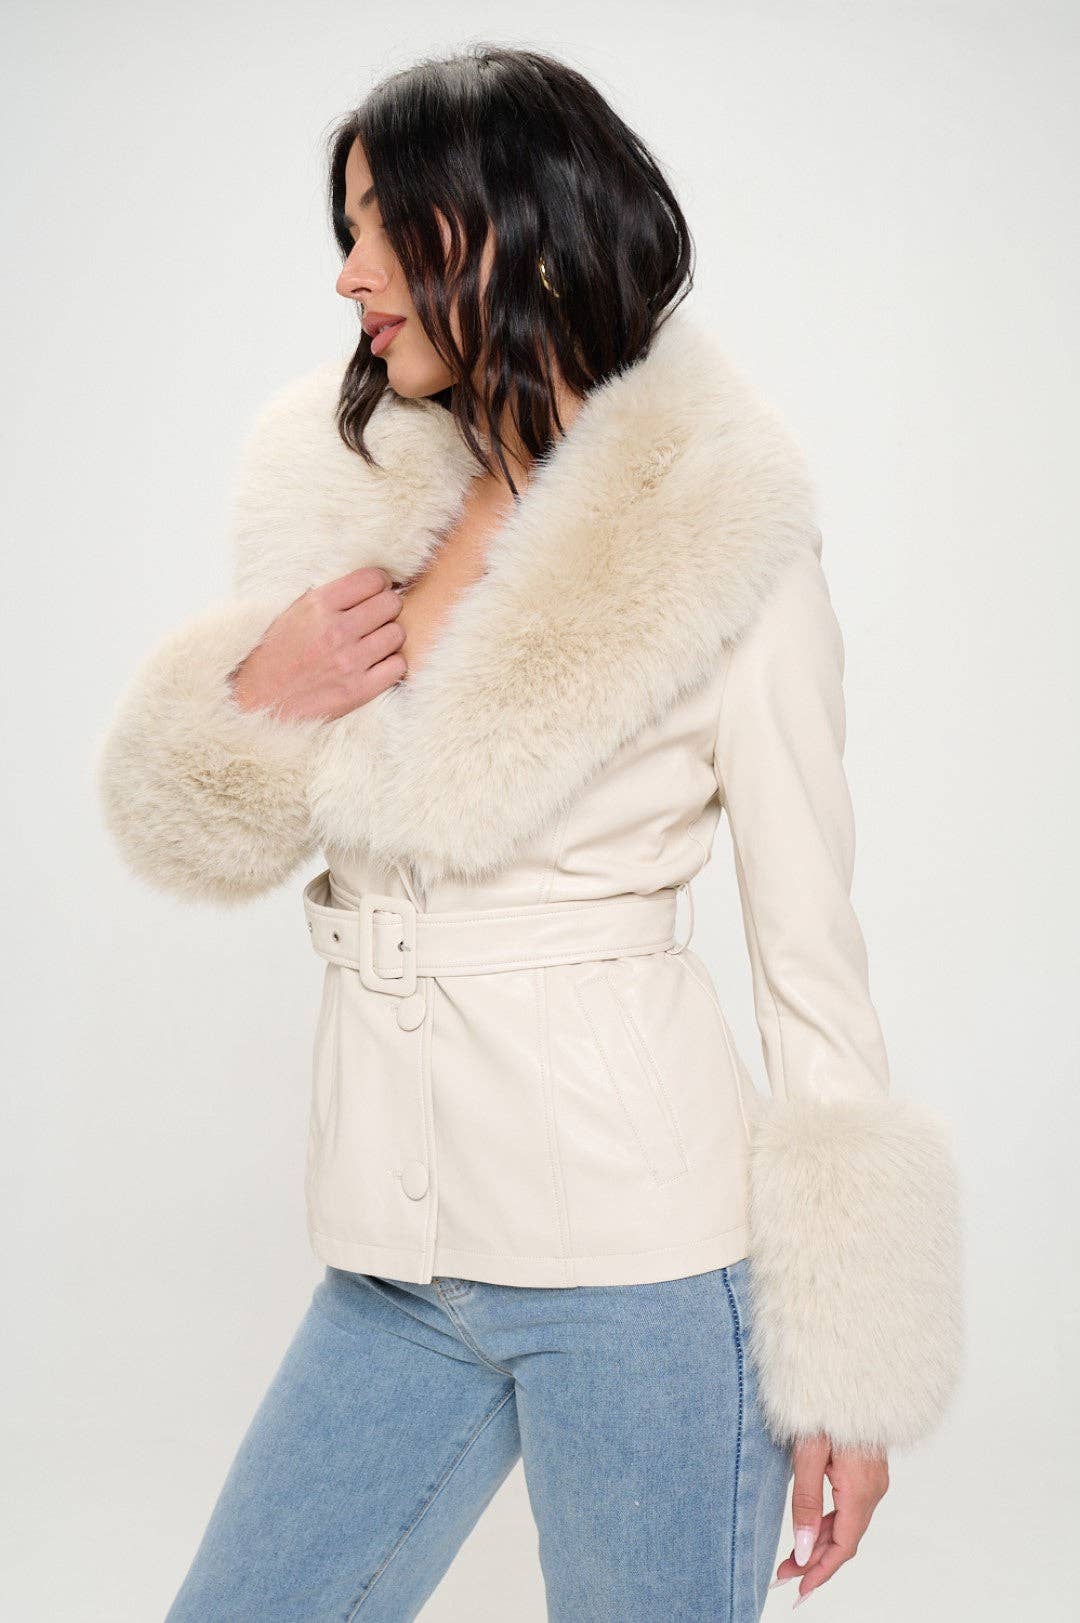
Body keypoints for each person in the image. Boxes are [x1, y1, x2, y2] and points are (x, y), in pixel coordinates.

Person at [93, 44, 964, 1623]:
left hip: (646, 1268)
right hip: (397, 1261)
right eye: (345, 229)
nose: (349, 272)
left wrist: (853, 1364)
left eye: (384, 224)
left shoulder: (727, 539)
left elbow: (810, 964)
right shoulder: (357, 498)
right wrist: (256, 699)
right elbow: (206, 840)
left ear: (516, 224)